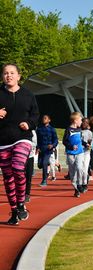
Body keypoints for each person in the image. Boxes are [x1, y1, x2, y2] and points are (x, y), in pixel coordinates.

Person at [0, 63, 39, 225]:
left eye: (12, 73)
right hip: (2, 141)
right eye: (5, 73)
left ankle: (21, 204)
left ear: (18, 76)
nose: (8, 75)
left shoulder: (28, 95)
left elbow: (36, 115)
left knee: (17, 167)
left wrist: (29, 124)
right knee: (8, 178)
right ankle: (15, 210)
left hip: (22, 137)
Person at [63, 112, 86, 197]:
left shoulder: (79, 130)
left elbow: (80, 140)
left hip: (80, 152)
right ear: (75, 121)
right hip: (71, 153)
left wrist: (85, 143)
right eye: (80, 120)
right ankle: (76, 189)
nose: (81, 122)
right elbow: (65, 141)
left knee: (80, 168)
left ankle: (79, 184)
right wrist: (71, 146)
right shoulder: (68, 130)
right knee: (72, 174)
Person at [36, 115, 58, 186]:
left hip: (48, 150)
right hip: (41, 149)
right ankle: (46, 164)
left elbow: (56, 140)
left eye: (45, 118)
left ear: (49, 120)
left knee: (44, 163)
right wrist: (37, 147)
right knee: (40, 165)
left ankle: (44, 180)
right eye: (43, 118)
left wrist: (52, 145)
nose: (43, 119)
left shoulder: (52, 129)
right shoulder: (39, 129)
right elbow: (37, 140)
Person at [25, 130, 37, 203]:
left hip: (29, 156)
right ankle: (20, 193)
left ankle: (27, 194)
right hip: (19, 156)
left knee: (28, 176)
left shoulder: (32, 131)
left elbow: (34, 143)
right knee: (19, 176)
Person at [81, 117, 92, 192]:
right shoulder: (78, 131)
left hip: (86, 153)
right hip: (78, 153)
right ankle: (80, 182)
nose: (85, 124)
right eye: (83, 122)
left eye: (86, 122)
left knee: (85, 169)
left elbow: (90, 141)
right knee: (79, 169)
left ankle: (84, 184)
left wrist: (88, 145)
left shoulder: (89, 132)